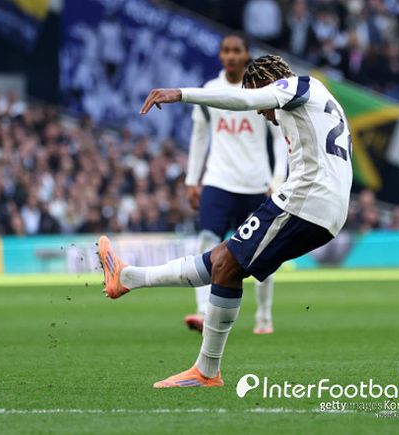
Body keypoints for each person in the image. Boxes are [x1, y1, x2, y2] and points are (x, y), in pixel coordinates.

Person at [98, 55, 353, 388]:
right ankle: (128, 278)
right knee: (222, 260)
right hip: (323, 204)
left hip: (307, 201)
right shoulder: (317, 93)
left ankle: (206, 371)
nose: (261, 113)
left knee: (227, 265)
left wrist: (181, 94)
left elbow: (244, 101)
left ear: (268, 84)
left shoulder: (293, 86)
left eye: (259, 98)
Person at [184, 35, 287, 335]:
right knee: (207, 242)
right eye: (226, 50)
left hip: (256, 184)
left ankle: (264, 316)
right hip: (218, 181)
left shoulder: (260, 90)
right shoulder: (209, 90)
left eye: (236, 51)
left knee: (263, 253)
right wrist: (192, 179)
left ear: (246, 55)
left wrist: (278, 178)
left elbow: (279, 136)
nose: (230, 56)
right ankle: (203, 312)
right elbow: (199, 136)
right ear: (220, 55)